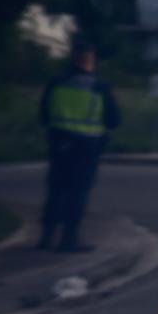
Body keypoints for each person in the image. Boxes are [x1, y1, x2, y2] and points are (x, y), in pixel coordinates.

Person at [38, 40, 120, 252]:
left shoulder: (55, 83)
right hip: (87, 146)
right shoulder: (99, 87)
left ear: (72, 57)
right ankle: (69, 238)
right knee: (78, 193)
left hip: (59, 144)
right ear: (90, 60)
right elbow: (113, 120)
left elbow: (43, 115)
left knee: (56, 190)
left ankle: (46, 237)